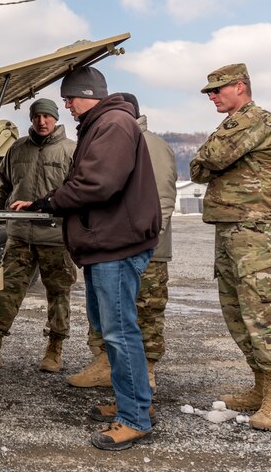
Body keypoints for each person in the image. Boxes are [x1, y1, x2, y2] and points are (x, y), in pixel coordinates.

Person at [13, 67, 161, 451]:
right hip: (104, 244)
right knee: (110, 329)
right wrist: (47, 200)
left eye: (70, 98)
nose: (67, 106)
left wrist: (49, 202)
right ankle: (133, 403)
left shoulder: (111, 124)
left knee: (119, 332)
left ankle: (134, 419)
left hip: (115, 245)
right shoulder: (103, 123)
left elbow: (98, 184)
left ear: (89, 94)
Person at [190, 63, 271, 431]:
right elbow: (196, 170)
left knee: (260, 313)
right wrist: (208, 158)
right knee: (235, 312)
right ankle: (259, 386)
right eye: (210, 92)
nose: (213, 97)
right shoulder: (231, 126)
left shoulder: (257, 119)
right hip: (230, 229)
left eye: (217, 90)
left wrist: (209, 157)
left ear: (240, 86)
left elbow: (212, 159)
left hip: (256, 232)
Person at [68, 93, 177, 395]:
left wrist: (146, 242)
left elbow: (164, 198)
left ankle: (146, 376)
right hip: (122, 242)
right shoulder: (108, 137)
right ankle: (110, 370)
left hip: (142, 245)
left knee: (145, 313)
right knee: (114, 316)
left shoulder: (149, 144)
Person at [0, 98, 76, 373]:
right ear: (31, 119)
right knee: (6, 292)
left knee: (58, 294)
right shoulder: (17, 149)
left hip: (55, 237)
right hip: (20, 236)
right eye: (37, 116)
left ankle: (54, 350)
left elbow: (77, 192)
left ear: (55, 118)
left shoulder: (70, 151)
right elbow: (2, 186)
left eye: (47, 117)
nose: (42, 122)